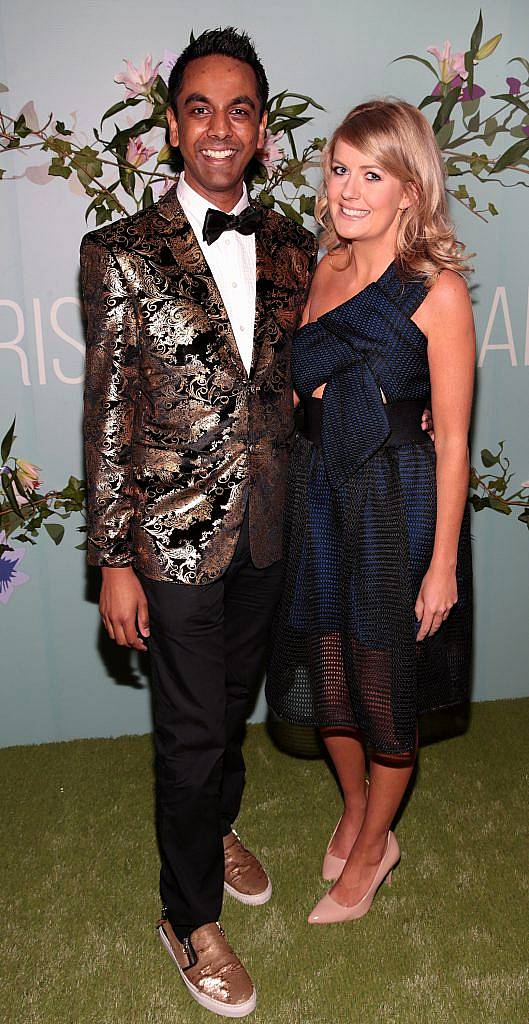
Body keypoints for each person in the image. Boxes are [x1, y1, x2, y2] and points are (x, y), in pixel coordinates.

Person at [81, 27, 317, 1017]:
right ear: (172, 124)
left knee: (227, 712)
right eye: (199, 108)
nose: (220, 127)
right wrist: (114, 560)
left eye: (240, 110)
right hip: (169, 538)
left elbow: (313, 377)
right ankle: (188, 913)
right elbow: (107, 413)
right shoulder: (120, 253)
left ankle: (209, 822)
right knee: (186, 732)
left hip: (269, 523)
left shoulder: (299, 247)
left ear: (262, 129)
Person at [266, 99, 474, 924]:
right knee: (328, 676)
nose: (348, 189)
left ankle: (373, 848)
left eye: (371, 174)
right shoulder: (320, 267)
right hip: (318, 492)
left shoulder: (437, 292)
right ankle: (355, 808)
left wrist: (441, 564)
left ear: (408, 190)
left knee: (383, 690)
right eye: (339, 169)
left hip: (396, 501)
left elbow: (453, 441)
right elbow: (291, 390)